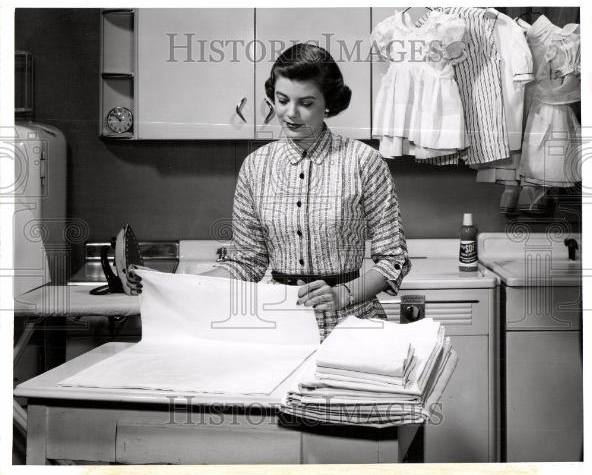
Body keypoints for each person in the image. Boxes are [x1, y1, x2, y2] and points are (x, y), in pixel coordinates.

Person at [129, 43, 411, 340]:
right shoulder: (255, 166)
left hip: (353, 325)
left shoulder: (364, 162)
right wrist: (171, 286)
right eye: (282, 99)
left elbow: (394, 260)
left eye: (306, 103)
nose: (291, 113)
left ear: (328, 103)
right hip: (280, 326)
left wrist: (343, 294)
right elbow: (247, 262)